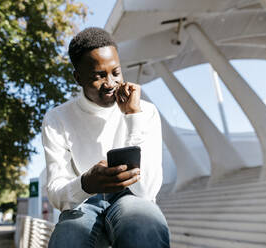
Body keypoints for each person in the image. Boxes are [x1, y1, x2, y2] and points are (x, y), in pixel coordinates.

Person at [42, 27, 170, 248]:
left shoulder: (145, 112)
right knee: (67, 240)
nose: (110, 83)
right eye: (99, 76)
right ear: (78, 78)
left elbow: (146, 191)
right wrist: (86, 183)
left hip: (132, 198)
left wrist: (133, 116)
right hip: (83, 202)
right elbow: (56, 192)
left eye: (116, 72)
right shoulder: (57, 118)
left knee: (144, 225)